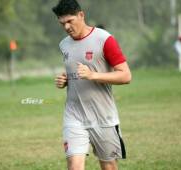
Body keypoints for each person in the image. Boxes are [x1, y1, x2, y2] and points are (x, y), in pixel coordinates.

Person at [52, 0, 132, 170]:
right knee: (74, 165)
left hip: (103, 116)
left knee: (109, 166)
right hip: (74, 115)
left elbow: (125, 75)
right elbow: (76, 74)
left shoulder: (104, 39)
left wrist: (93, 75)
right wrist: (65, 81)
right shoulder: (64, 44)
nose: (66, 27)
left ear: (81, 15)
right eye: (62, 23)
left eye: (70, 21)